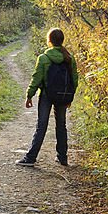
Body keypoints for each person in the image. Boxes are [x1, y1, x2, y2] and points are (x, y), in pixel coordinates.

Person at [16, 28, 78, 167]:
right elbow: (74, 79)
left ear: (49, 41)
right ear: (62, 40)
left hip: (46, 96)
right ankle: (62, 158)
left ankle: (31, 158)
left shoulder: (44, 58)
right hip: (63, 96)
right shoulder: (69, 58)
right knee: (61, 125)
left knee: (41, 125)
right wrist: (70, 97)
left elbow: (36, 78)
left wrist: (29, 95)